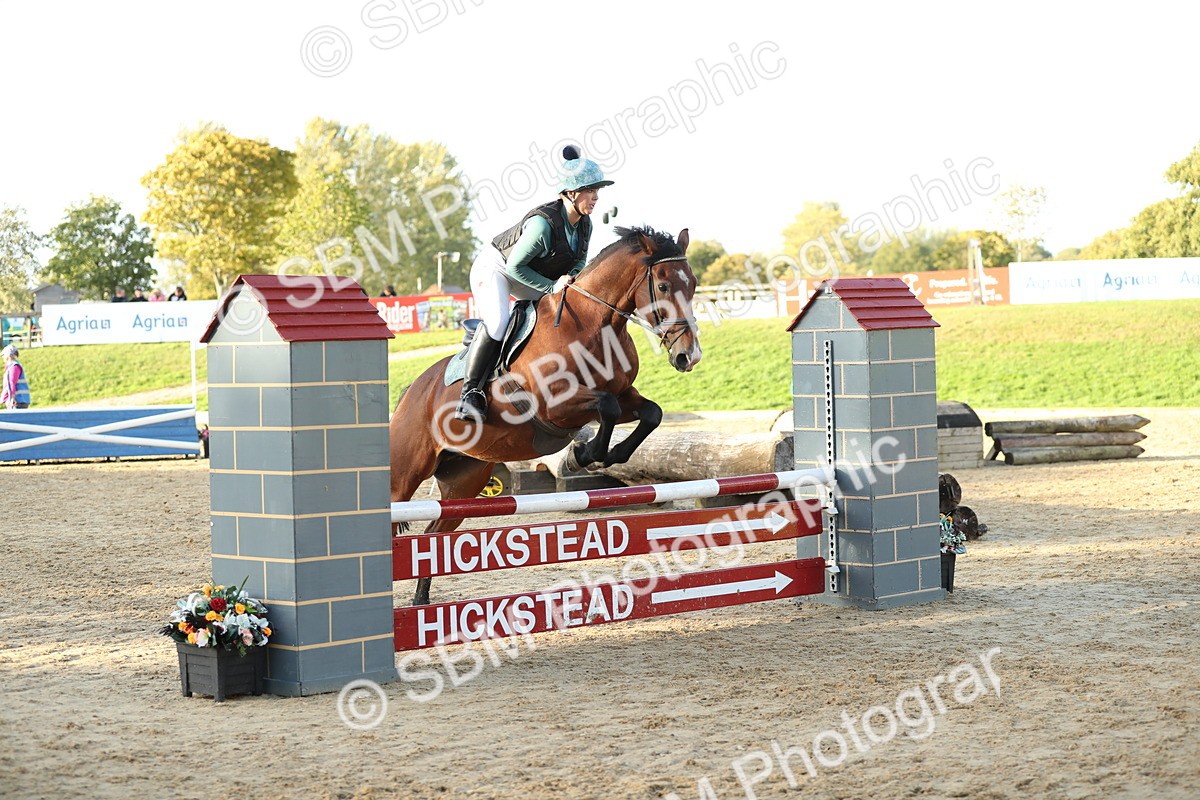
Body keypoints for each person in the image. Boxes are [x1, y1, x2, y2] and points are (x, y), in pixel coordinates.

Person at [456, 145, 612, 421]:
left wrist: (571, 279)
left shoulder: (585, 225)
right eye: (591, 190)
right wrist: (552, 287)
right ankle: (471, 394)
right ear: (571, 193)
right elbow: (515, 267)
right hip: (497, 269)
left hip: (529, 272)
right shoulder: (543, 225)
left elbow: (578, 262)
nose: (596, 197)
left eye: (597, 191)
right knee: (499, 323)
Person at [1, 345, 31, 410]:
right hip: (18, 400)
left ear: (8, 356)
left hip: (18, 401)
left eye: (4, 355)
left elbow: (12, 383)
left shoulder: (14, 367)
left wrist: (12, 399)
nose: (3, 357)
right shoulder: (11, 367)